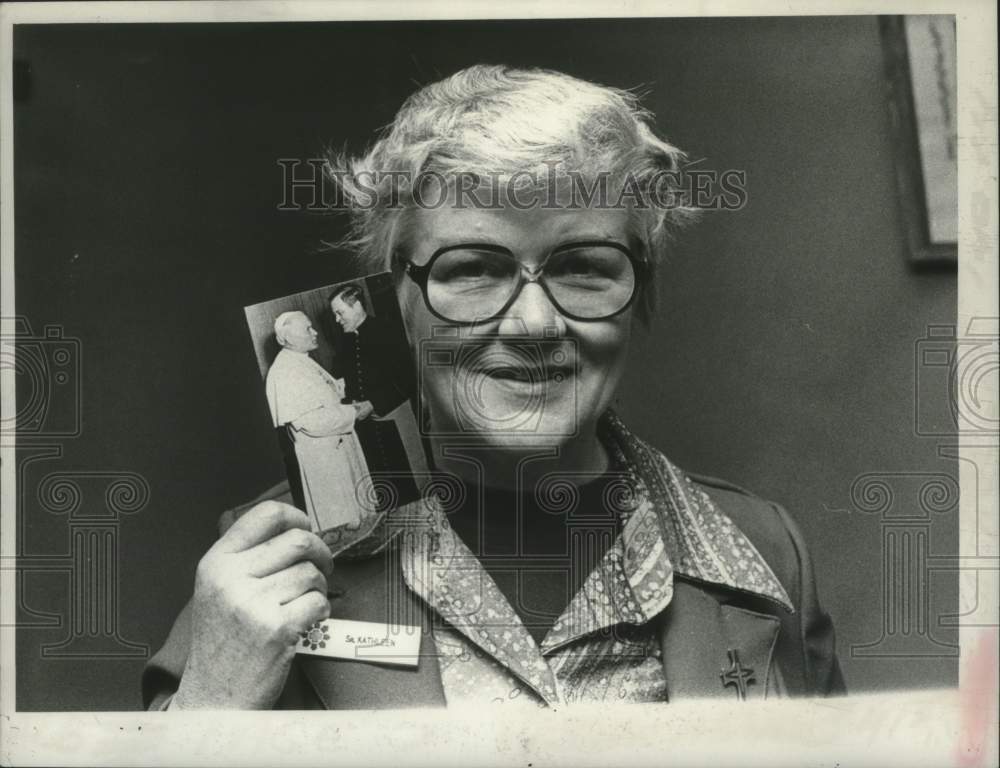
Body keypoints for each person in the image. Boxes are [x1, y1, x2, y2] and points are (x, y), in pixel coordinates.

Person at [143, 65, 845, 710]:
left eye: (584, 266)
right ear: (395, 299)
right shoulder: (267, 571)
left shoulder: (765, 551)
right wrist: (209, 708)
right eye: (474, 267)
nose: (534, 323)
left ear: (644, 295)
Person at [264, 311, 372, 533]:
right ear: (285, 339)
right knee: (345, 524)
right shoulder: (284, 371)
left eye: (312, 327)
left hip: (338, 448)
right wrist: (354, 412)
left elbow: (326, 391)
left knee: (362, 515)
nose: (315, 332)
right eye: (307, 329)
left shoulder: (301, 359)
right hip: (325, 460)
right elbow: (311, 421)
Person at [328, 284, 426, 510]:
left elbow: (410, 378)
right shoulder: (345, 342)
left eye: (339, 312)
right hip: (366, 427)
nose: (336, 319)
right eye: (335, 314)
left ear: (357, 306)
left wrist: (373, 403)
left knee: (410, 482)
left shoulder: (389, 330)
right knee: (383, 489)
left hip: (396, 419)